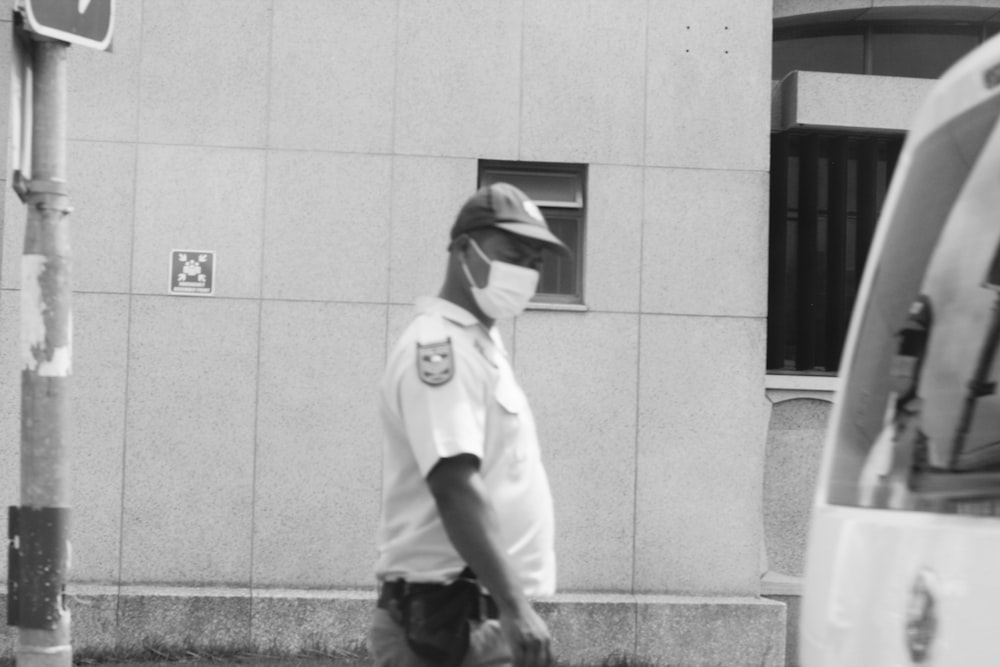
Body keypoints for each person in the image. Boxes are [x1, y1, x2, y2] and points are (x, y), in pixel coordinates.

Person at [370, 182, 569, 667]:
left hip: (477, 616)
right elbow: (455, 484)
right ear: (464, 249)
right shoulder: (441, 349)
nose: (526, 272)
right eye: (514, 255)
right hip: (447, 621)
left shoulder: (479, 345)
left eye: (536, 262)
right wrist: (516, 606)